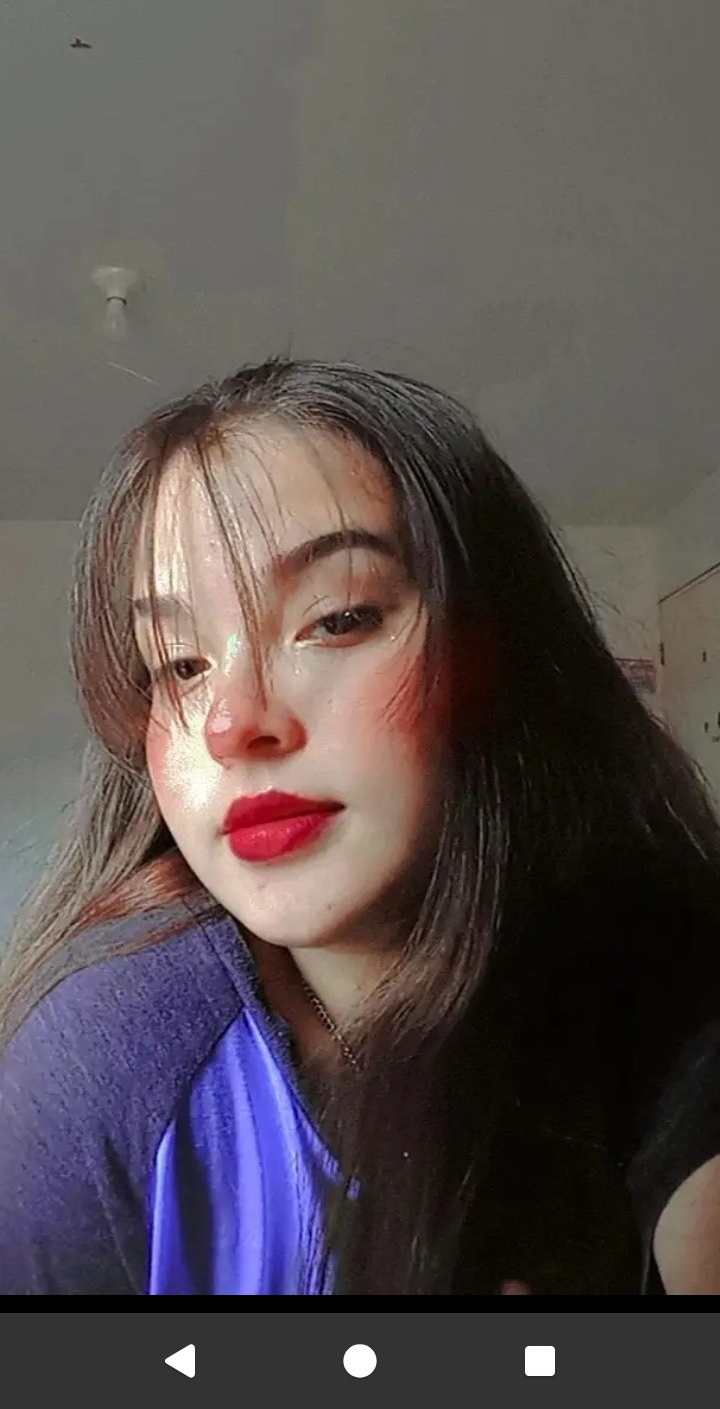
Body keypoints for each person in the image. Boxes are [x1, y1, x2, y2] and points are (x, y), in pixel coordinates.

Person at [1, 352, 720, 1297]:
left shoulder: (663, 971)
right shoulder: (113, 1049)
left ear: (498, 652)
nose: (231, 724)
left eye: (337, 618)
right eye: (179, 664)